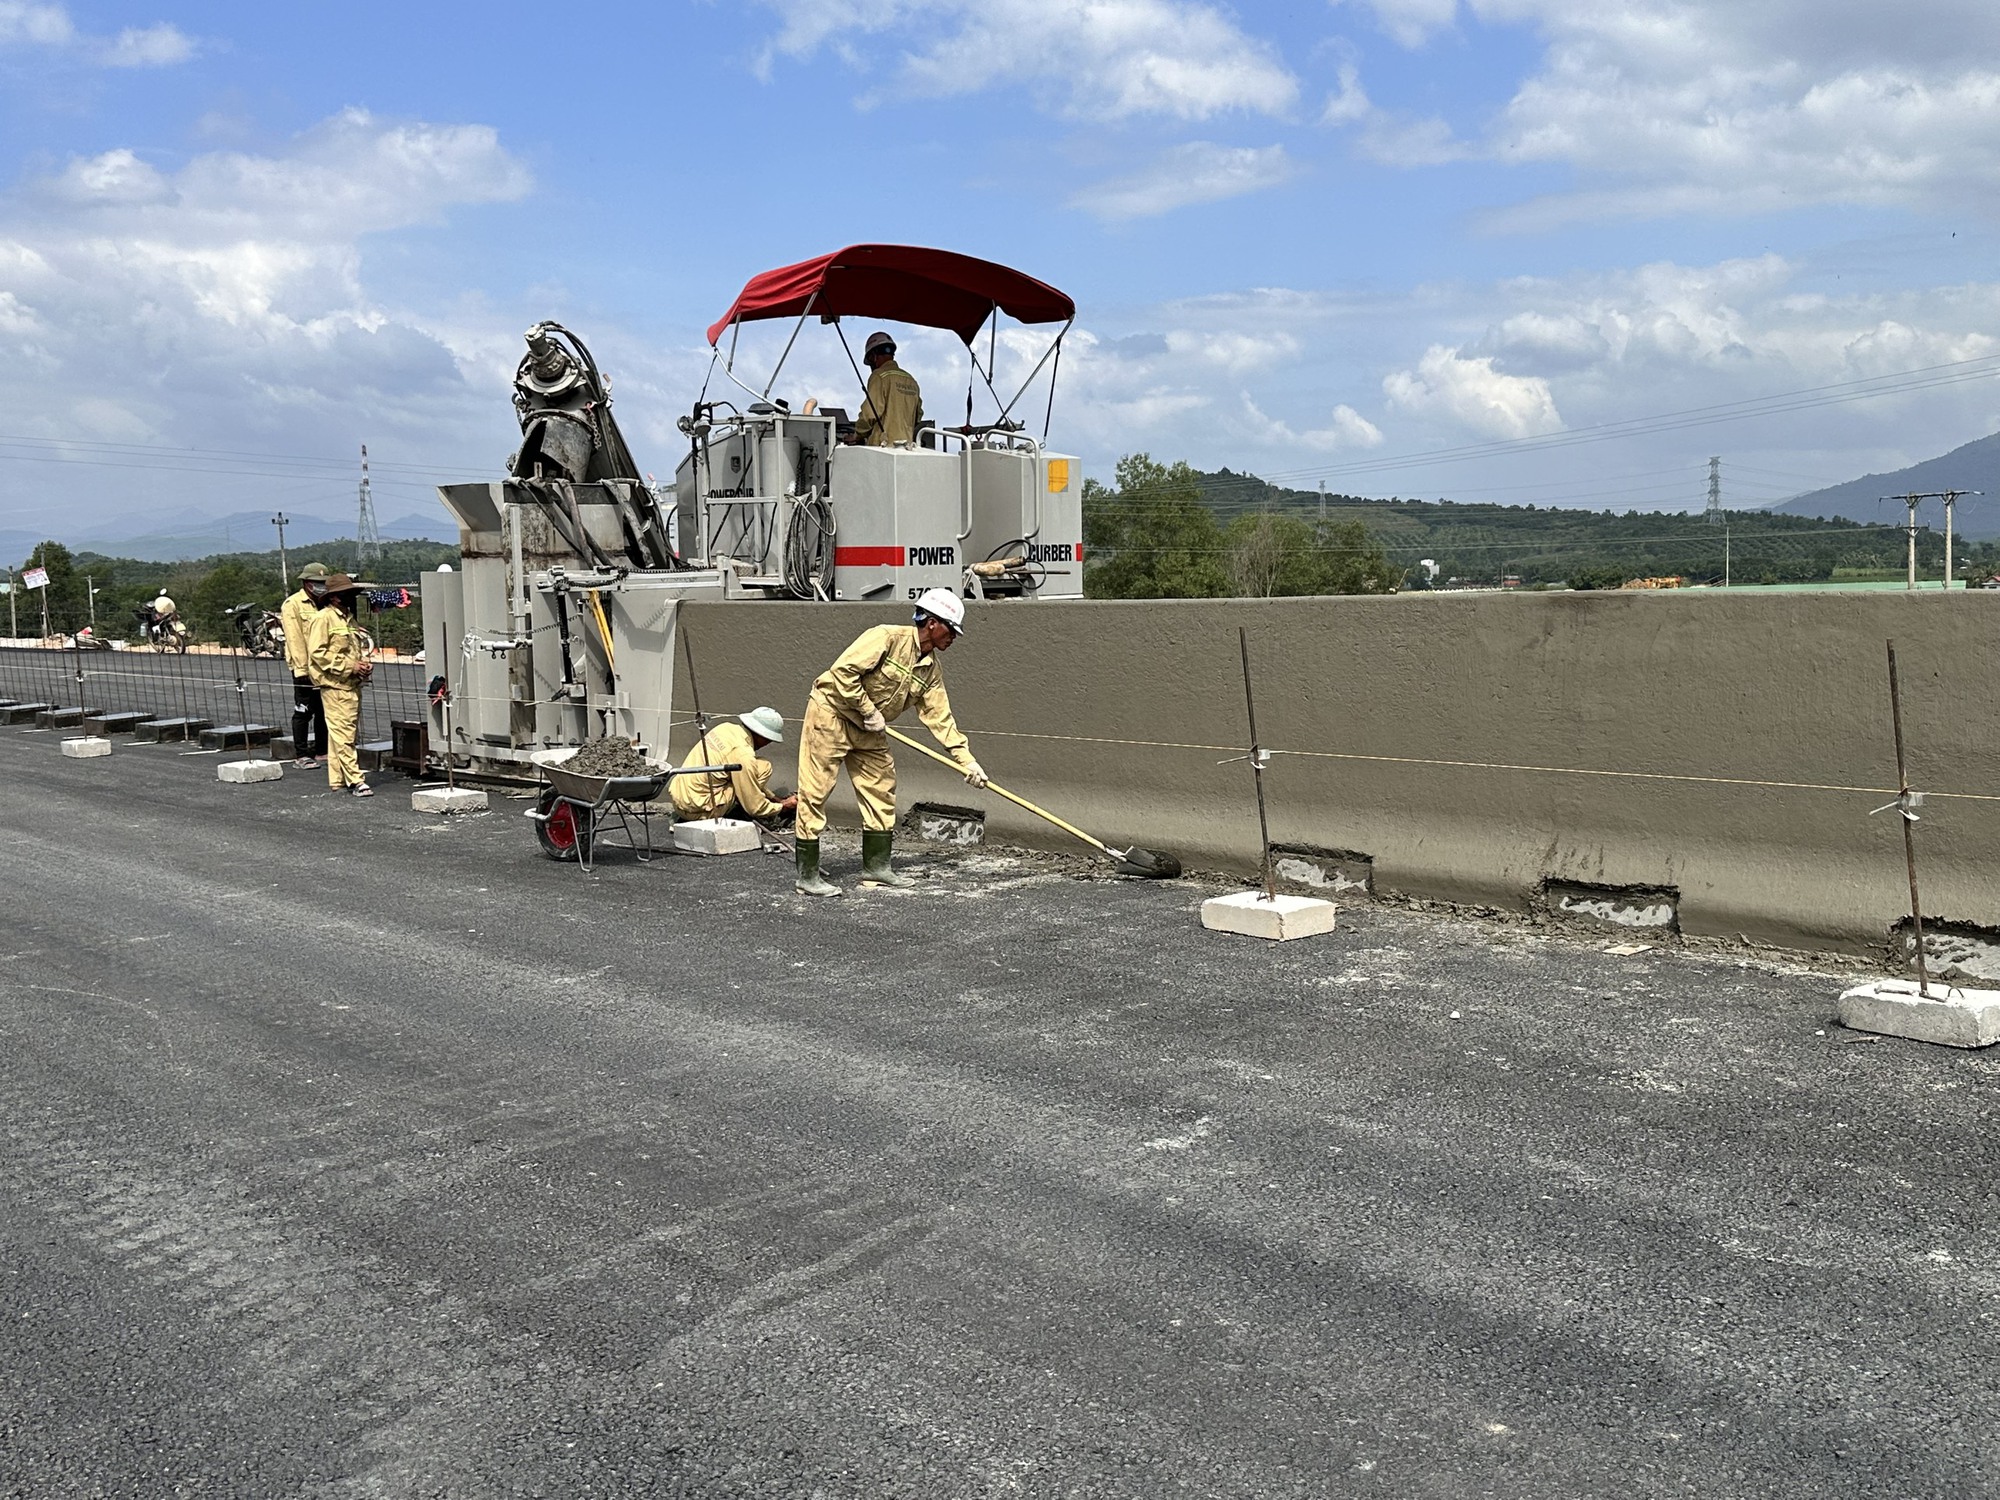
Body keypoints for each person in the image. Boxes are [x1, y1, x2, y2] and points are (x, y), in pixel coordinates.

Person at [793, 587, 987, 896]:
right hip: (831, 714)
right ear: (933, 623)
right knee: (815, 790)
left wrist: (967, 761)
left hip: (870, 729)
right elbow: (842, 673)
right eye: (952, 630)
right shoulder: (886, 638)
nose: (954, 638)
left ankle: (877, 868)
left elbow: (941, 718)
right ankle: (808, 876)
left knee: (881, 788)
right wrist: (868, 710)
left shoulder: (931, 669)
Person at [306, 574, 375, 797]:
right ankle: (356, 780)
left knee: (342, 733)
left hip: (351, 684)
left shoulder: (348, 619)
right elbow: (318, 652)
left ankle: (337, 779)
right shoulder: (323, 618)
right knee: (343, 733)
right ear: (334, 597)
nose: (351, 598)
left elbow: (356, 648)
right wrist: (349, 666)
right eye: (347, 594)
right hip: (334, 684)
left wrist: (363, 664)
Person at [669, 706, 798, 825]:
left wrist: (774, 798)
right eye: (769, 740)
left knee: (761, 766)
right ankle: (737, 813)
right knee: (759, 774)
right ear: (762, 735)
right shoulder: (743, 755)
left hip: (680, 801)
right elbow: (754, 807)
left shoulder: (725, 728)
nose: (768, 743)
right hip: (699, 811)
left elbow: (749, 778)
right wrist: (782, 807)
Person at [282, 562, 331, 768]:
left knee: (324, 709)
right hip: (305, 666)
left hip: (325, 666)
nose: (320, 586)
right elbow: (295, 639)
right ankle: (301, 754)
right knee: (303, 709)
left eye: (323, 582)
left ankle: (322, 750)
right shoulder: (293, 604)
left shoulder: (327, 603)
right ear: (305, 583)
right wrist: (301, 669)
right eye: (315, 582)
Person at [846, 330, 922, 447]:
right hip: (906, 449)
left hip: (882, 450)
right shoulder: (911, 380)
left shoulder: (879, 376)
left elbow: (870, 413)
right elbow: (918, 416)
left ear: (873, 356)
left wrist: (856, 435)